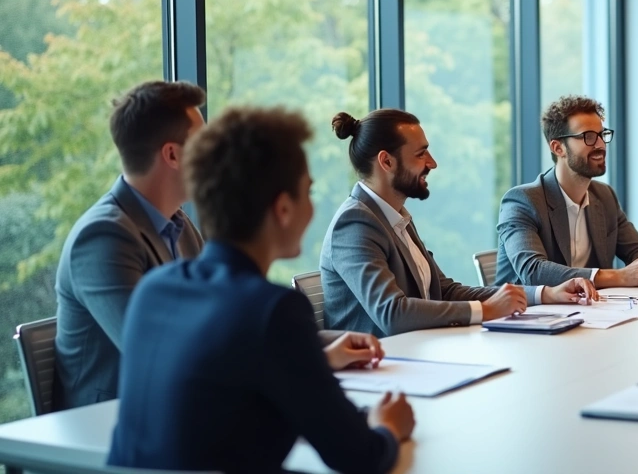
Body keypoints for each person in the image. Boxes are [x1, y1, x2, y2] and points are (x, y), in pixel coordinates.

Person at [108, 107, 414, 473]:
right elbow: (361, 457)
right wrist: (388, 426)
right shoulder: (275, 311)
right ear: (283, 209)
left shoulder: (154, 291)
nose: (313, 207)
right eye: (308, 192)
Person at [320, 110, 597, 337]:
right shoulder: (355, 222)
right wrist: (486, 311)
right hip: (381, 372)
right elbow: (392, 313)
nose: (433, 163)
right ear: (386, 161)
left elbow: (446, 291)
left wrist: (545, 294)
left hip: (417, 355)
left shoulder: (395, 217)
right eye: (421, 154)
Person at [53, 80, 206, 409]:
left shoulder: (182, 227)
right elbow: (157, 352)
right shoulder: (102, 236)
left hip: (178, 411)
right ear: (172, 154)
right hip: (110, 430)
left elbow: (224, 319)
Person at [496, 95, 638, 287]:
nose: (600, 145)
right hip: (528, 313)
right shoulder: (522, 201)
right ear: (558, 148)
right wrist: (619, 277)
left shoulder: (605, 196)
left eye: (602, 135)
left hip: (591, 312)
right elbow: (533, 271)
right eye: (588, 137)